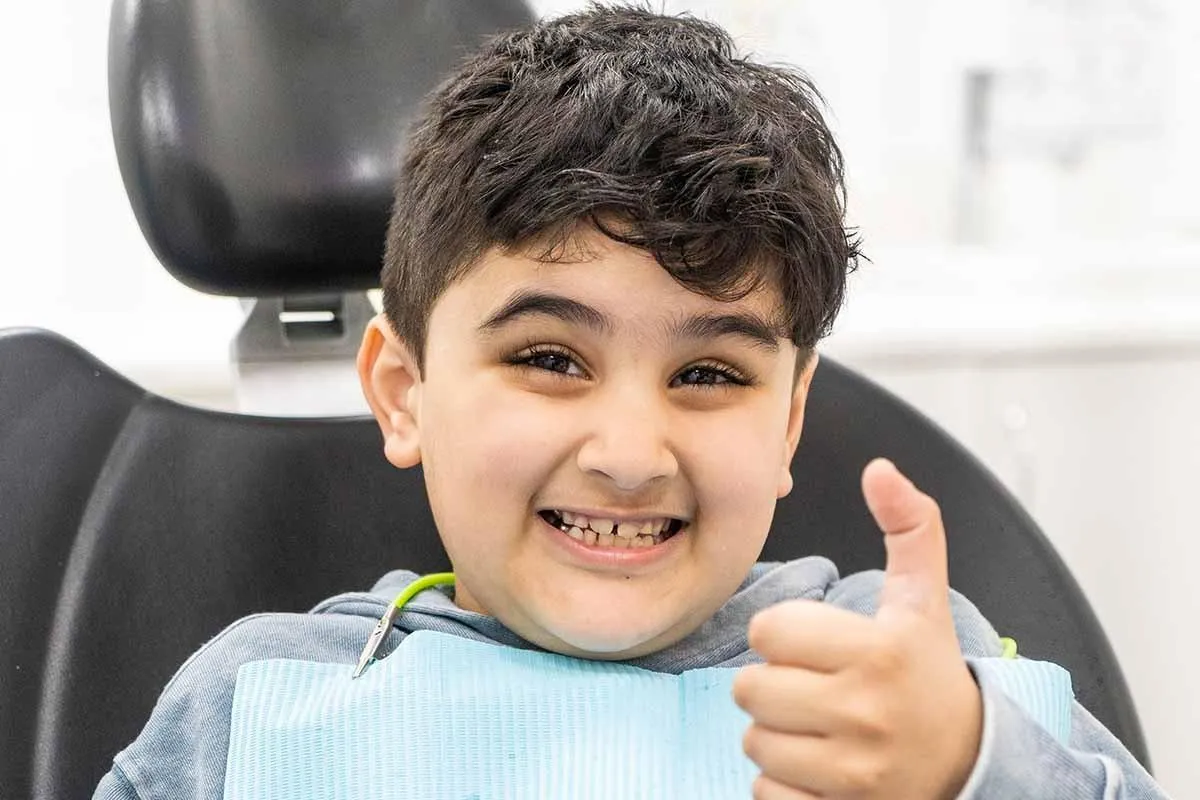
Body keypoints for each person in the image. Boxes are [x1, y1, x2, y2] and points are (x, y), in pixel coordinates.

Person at [94, 4, 1167, 798]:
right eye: (551, 358)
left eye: (709, 374)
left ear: (789, 420)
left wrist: (973, 766)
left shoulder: (901, 672)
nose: (630, 450)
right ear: (404, 390)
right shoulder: (253, 706)